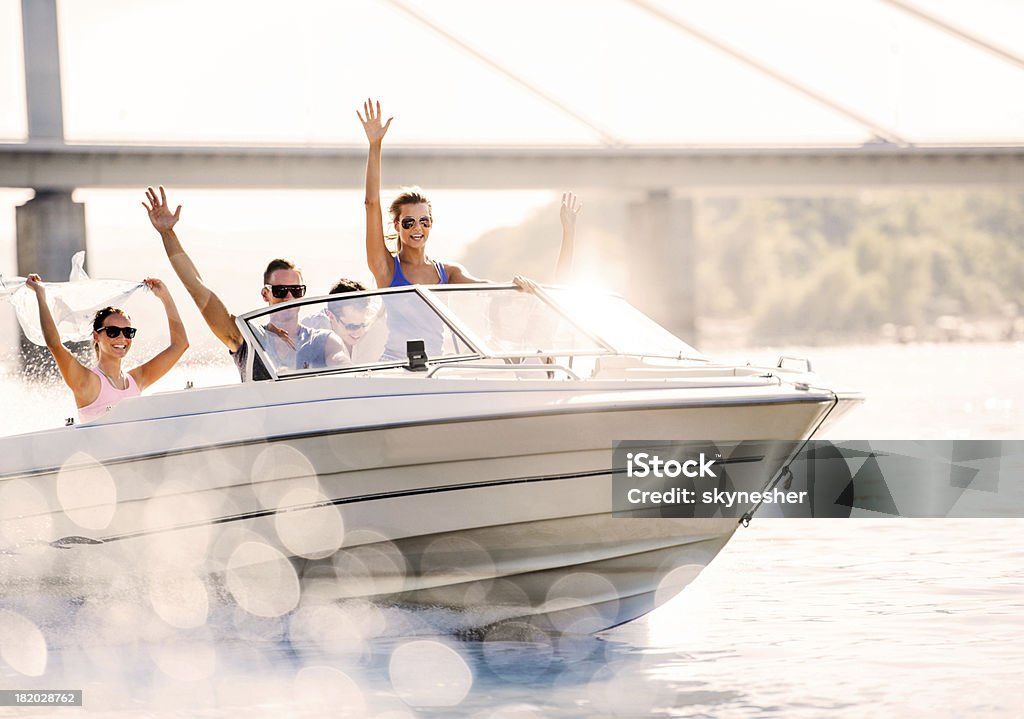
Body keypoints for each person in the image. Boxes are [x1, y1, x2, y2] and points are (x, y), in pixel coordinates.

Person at [143, 186, 349, 379]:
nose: (289, 297)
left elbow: (344, 370)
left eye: (296, 290)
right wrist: (167, 234)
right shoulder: (249, 339)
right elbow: (198, 290)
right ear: (265, 294)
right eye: (280, 290)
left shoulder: (324, 341)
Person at [24, 274, 188, 422]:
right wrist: (41, 294)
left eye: (128, 332)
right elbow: (55, 345)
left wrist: (165, 297)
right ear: (96, 336)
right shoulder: (87, 382)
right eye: (112, 331)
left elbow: (180, 345)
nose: (122, 338)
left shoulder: (136, 380)